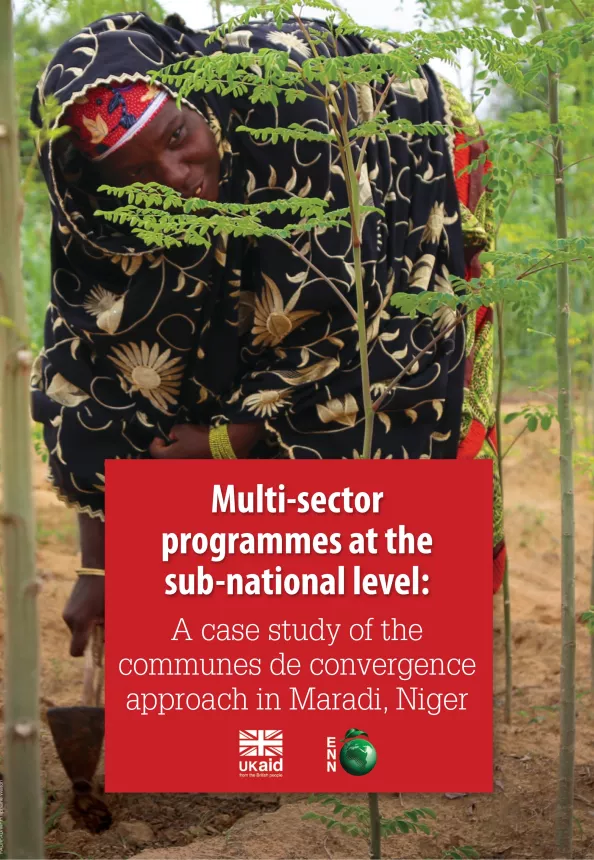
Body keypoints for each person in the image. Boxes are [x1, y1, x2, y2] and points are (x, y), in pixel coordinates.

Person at [30, 10, 505, 658]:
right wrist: (98, 568)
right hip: (280, 221)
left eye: (177, 136)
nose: (175, 176)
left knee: (403, 375)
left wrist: (227, 437)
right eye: (137, 175)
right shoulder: (102, 230)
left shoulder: (295, 124)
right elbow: (91, 375)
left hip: (402, 154)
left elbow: (343, 318)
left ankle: (391, 667)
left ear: (197, 102)